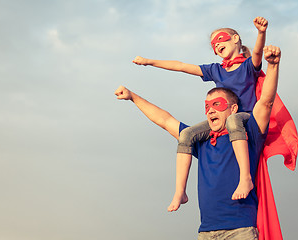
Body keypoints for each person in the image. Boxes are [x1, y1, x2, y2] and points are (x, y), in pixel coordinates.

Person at [115, 45, 281, 239]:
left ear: (234, 108)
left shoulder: (249, 135)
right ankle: (180, 193)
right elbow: (165, 120)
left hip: (240, 230)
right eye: (207, 106)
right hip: (206, 232)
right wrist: (133, 97)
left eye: (217, 105)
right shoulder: (201, 142)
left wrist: (273, 66)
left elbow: (266, 102)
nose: (210, 110)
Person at [132, 17, 268, 211]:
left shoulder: (248, 66)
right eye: (213, 44)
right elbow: (181, 66)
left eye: (221, 39)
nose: (217, 44)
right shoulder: (216, 70)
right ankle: (180, 192)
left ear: (236, 38)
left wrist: (261, 33)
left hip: (245, 117)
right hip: (225, 120)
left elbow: (257, 53)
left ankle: (245, 177)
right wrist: (149, 62)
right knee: (186, 135)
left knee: (233, 121)